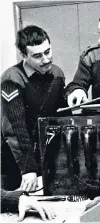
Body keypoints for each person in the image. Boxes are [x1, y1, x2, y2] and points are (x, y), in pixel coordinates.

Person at [1, 25, 68, 192]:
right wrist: (28, 167)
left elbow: (63, 118)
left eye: (47, 52)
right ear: (23, 55)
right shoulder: (12, 78)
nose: (46, 60)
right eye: (37, 56)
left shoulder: (57, 74)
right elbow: (15, 128)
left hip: (45, 157)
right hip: (15, 160)